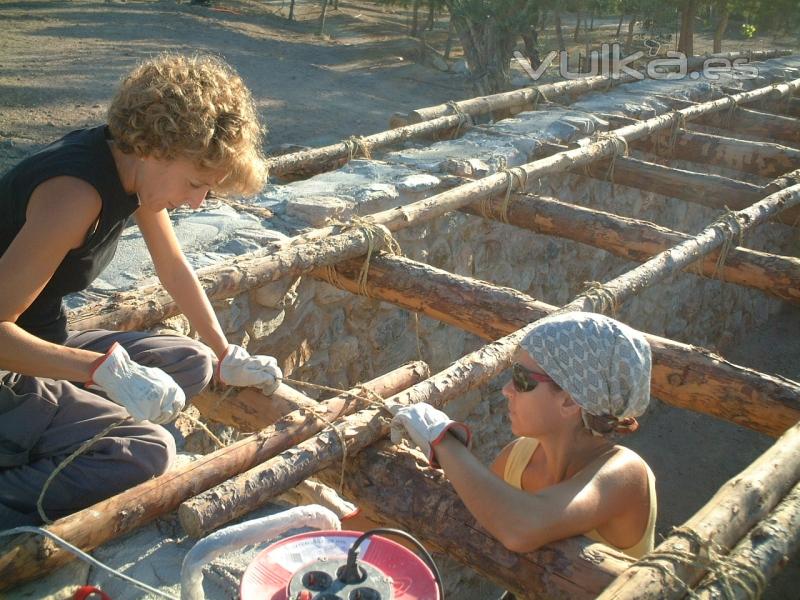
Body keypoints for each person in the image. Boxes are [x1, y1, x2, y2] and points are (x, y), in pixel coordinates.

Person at [0, 54, 282, 527]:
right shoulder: (74, 193)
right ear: (157, 146)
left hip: (42, 344)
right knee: (148, 451)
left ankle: (57, 428)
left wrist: (224, 350)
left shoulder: (130, 172)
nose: (197, 202)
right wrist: (100, 370)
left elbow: (173, 267)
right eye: (196, 183)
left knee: (192, 362)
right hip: (9, 365)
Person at [391, 312, 656, 559]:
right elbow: (465, 513)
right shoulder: (518, 455)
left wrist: (443, 440)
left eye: (521, 378)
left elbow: (521, 529)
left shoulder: (627, 473)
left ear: (570, 401)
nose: (507, 389)